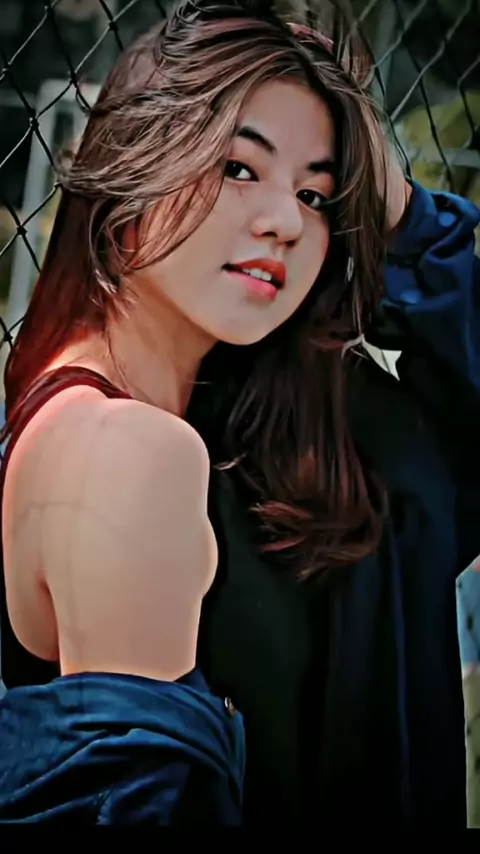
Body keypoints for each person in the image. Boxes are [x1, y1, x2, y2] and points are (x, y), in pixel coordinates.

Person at [0, 0, 479, 828]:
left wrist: (400, 209)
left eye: (318, 194)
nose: (286, 222)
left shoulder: (278, 428)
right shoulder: (125, 451)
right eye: (238, 168)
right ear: (134, 166)